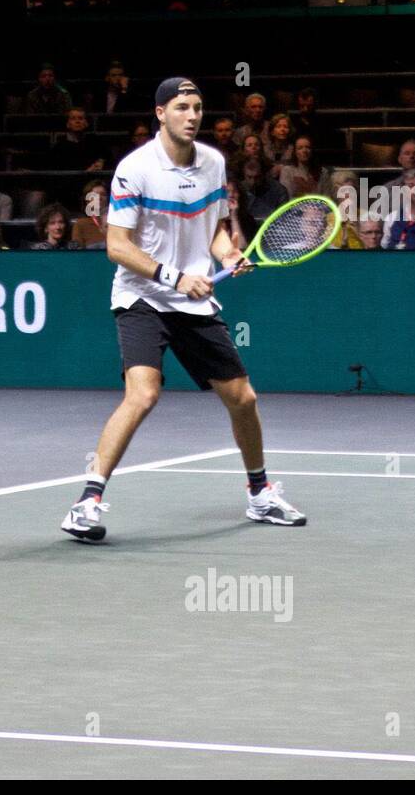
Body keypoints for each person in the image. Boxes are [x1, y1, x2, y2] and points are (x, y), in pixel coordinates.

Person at [61, 77, 305, 542]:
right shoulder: (135, 169)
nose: (192, 116)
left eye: (197, 108)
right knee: (143, 394)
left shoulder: (213, 163)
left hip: (195, 302)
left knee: (243, 399)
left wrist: (228, 255)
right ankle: (86, 503)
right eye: (181, 108)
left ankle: (259, 494)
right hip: (142, 297)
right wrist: (173, 277)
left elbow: (214, 230)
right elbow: (116, 246)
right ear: (160, 114)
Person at [71, 178, 109, 249]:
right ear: (87, 201)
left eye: (103, 194)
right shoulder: (81, 224)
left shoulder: (116, 221)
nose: (99, 198)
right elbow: (77, 254)